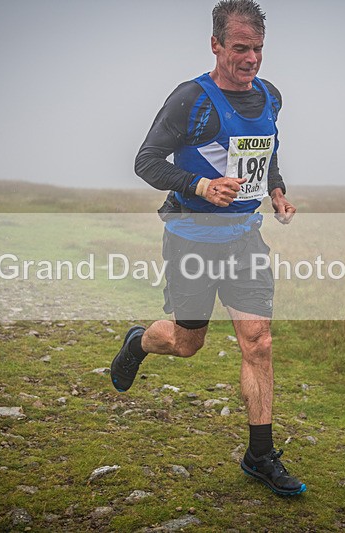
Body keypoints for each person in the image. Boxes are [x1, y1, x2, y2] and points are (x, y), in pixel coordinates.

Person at [110, 0, 304, 496]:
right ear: (215, 45)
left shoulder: (270, 96)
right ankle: (139, 341)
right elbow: (146, 161)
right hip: (191, 240)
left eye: (257, 48)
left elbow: (267, 149)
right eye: (240, 48)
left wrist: (276, 190)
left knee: (258, 341)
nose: (251, 58)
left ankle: (259, 456)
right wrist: (200, 186)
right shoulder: (191, 99)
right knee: (186, 343)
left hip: (244, 239)